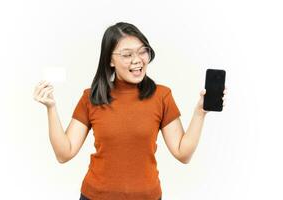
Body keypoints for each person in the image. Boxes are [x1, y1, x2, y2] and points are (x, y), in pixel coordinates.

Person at [33, 22, 227, 200]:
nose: (137, 60)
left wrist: (200, 112)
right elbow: (64, 153)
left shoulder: (162, 96)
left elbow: (183, 153)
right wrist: (51, 108)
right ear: (110, 60)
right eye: (127, 55)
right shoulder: (91, 97)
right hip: (96, 196)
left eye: (143, 51)